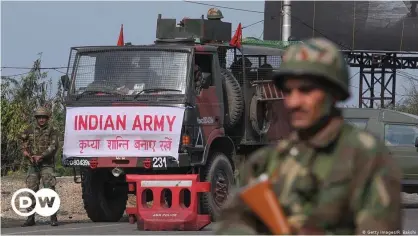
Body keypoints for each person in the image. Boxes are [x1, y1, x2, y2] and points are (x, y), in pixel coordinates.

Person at [215, 38, 402, 234]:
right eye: (288, 91)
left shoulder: (366, 157)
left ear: (334, 93)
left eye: (306, 90)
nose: (293, 102)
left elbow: (379, 229)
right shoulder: (267, 161)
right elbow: (231, 222)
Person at [20, 107, 59, 227]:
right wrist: (25, 151)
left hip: (46, 164)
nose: (41, 120)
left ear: (47, 118)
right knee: (31, 190)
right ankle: (30, 218)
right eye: (39, 117)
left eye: (44, 117)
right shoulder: (29, 130)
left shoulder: (52, 130)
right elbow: (21, 141)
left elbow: (54, 146)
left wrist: (41, 156)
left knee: (49, 190)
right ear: (36, 118)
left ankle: (53, 217)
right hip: (33, 165)